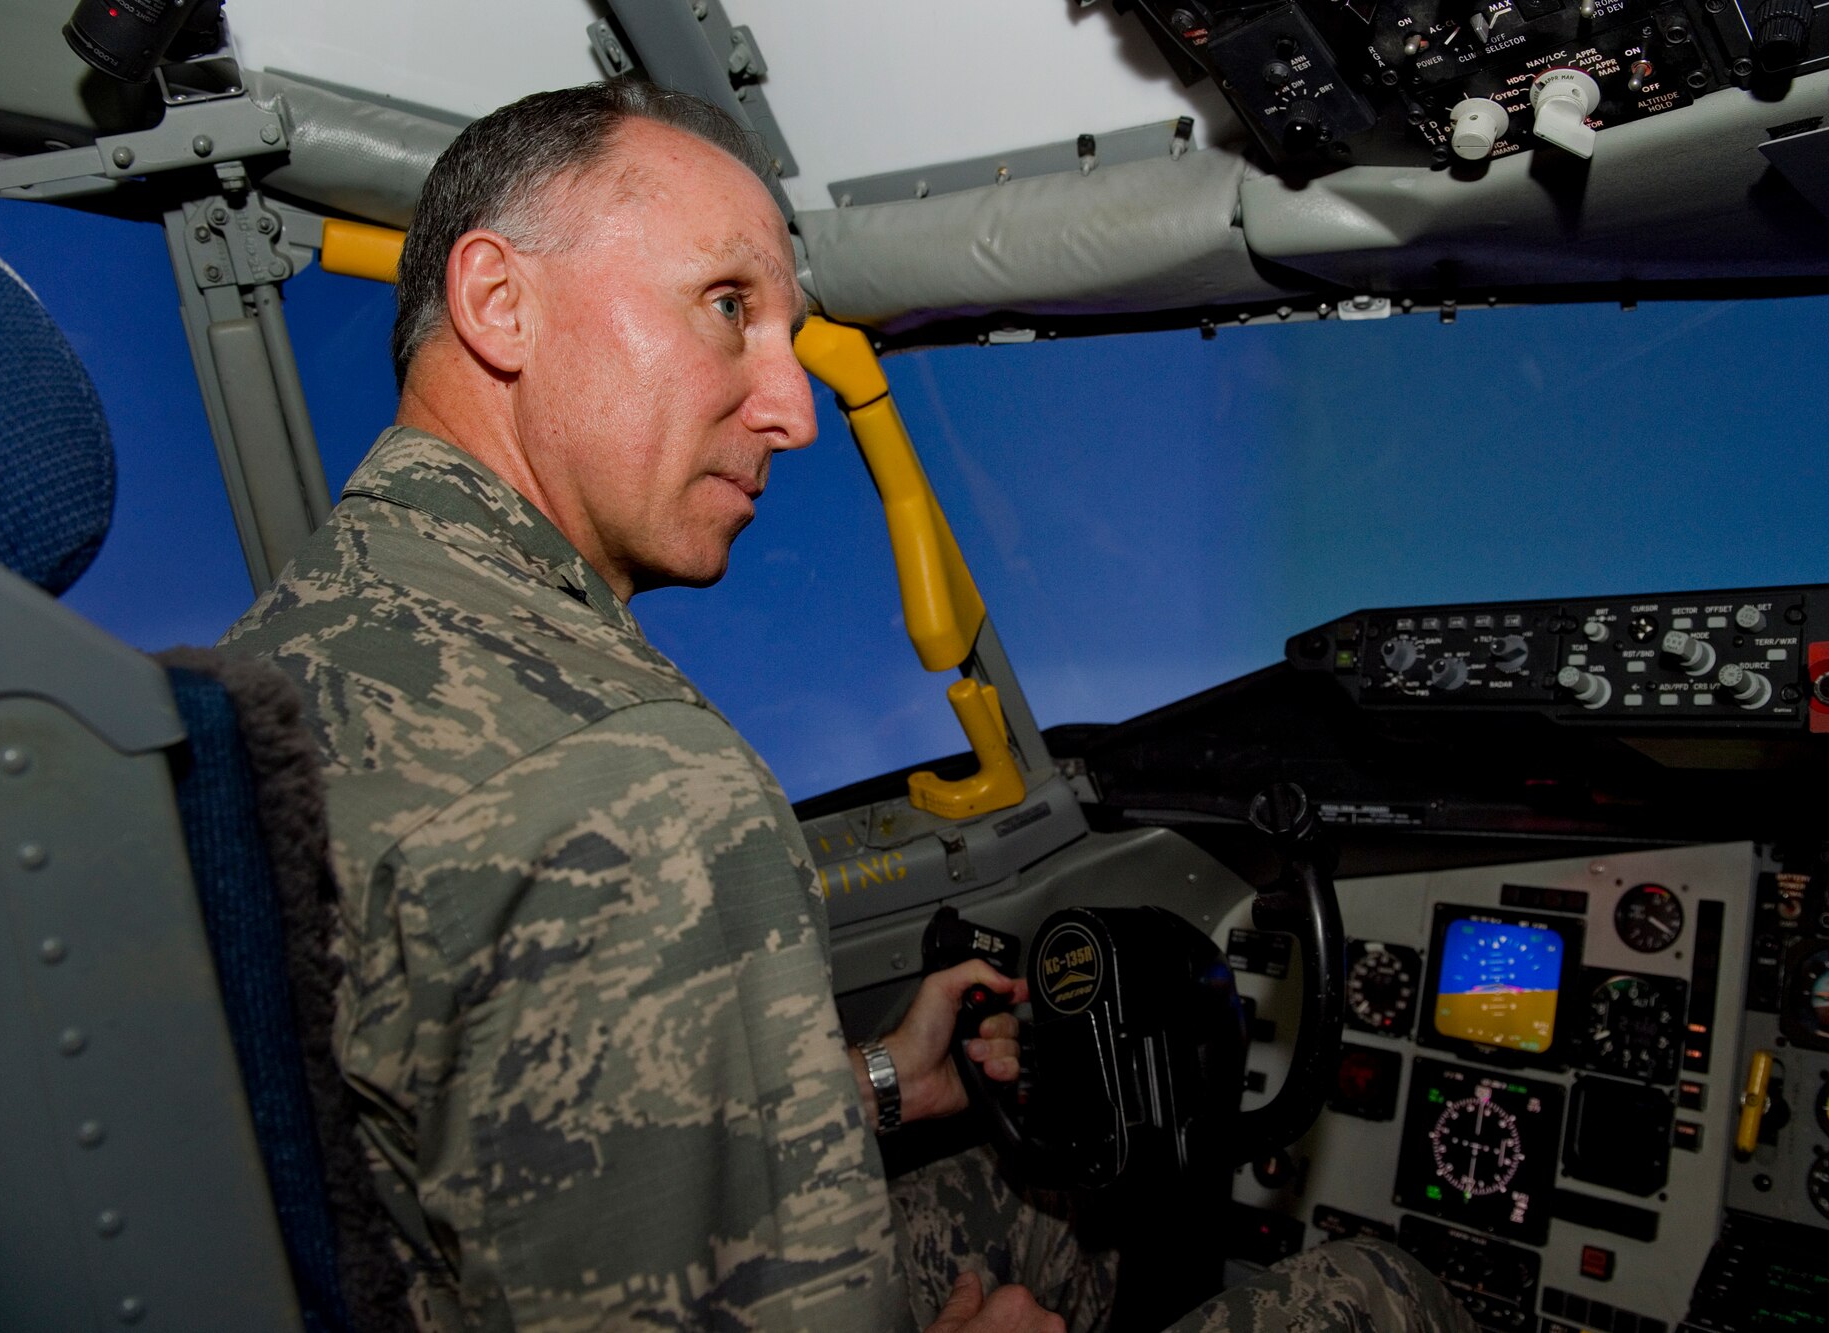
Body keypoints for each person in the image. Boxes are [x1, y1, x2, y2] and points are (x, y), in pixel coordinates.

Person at [224, 80, 1475, 1333]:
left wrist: (886, 1076)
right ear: (500, 302)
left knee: (1042, 1207)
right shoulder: (631, 782)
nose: (795, 413)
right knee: (1376, 1293)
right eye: (729, 306)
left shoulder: (279, 664)